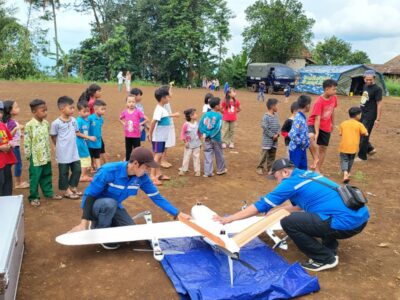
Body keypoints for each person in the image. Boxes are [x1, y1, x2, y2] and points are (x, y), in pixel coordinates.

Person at [214, 158, 370, 272]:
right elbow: (300, 206)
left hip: (345, 225)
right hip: (360, 218)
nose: (277, 181)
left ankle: (325, 259)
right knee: (323, 212)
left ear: (285, 172)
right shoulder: (307, 175)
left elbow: (260, 206)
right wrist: (277, 212)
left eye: (277, 177)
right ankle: (330, 248)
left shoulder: (289, 183)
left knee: (289, 222)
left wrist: (229, 218)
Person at [67, 147, 191, 250]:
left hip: (115, 206)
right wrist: (83, 223)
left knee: (131, 233)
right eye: (145, 167)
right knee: (109, 203)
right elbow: (90, 196)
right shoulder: (108, 170)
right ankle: (99, 229)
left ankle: (108, 223)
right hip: (96, 206)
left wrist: (177, 214)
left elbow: (157, 197)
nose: (147, 170)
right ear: (136, 163)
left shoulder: (142, 178)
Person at [24, 99, 62, 207]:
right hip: (35, 157)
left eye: (46, 110)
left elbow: (47, 139)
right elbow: (27, 141)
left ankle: (48, 193)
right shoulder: (29, 125)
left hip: (46, 155)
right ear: (34, 111)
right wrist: (28, 156)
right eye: (42, 110)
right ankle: (34, 197)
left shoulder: (46, 123)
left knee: (47, 174)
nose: (45, 112)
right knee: (35, 177)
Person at [50, 96, 82, 199]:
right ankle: (66, 191)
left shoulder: (74, 120)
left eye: (73, 108)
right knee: (64, 172)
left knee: (77, 169)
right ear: (62, 108)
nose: (73, 110)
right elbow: (53, 136)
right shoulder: (56, 123)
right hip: (62, 151)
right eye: (71, 108)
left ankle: (72, 186)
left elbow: (76, 132)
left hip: (73, 151)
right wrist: (58, 146)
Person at [148, 86, 179, 186]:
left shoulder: (162, 109)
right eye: (167, 96)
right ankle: (152, 176)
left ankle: (159, 174)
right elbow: (153, 122)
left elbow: (165, 116)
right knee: (157, 156)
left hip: (162, 137)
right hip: (158, 138)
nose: (169, 98)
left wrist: (173, 115)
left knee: (159, 156)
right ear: (162, 98)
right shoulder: (159, 109)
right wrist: (150, 133)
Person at [307, 79, 338, 173]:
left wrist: (333, 123)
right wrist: (317, 133)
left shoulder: (334, 98)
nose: (335, 91)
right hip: (313, 123)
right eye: (334, 89)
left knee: (323, 148)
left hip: (326, 125)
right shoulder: (319, 102)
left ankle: (317, 169)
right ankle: (316, 158)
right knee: (311, 137)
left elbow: (332, 110)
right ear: (327, 89)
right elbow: (317, 118)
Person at [357, 70, 383, 161]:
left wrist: (378, 119)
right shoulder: (365, 86)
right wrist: (359, 111)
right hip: (363, 113)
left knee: (364, 134)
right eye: (367, 79)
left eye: (370, 79)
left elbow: (379, 104)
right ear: (364, 79)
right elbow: (363, 100)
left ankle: (362, 157)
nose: (368, 81)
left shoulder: (377, 89)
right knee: (359, 132)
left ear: (374, 78)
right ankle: (370, 148)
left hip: (370, 115)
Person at [3, 100, 29, 189]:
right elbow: (9, 135)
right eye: (16, 107)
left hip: (8, 146)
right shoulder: (11, 122)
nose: (18, 109)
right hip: (14, 147)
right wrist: (17, 128)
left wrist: (19, 134)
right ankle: (18, 183)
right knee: (18, 164)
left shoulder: (7, 121)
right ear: (10, 111)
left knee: (8, 164)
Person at [199, 97, 227, 177]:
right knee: (219, 154)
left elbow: (200, 125)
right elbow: (218, 128)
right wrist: (211, 135)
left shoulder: (206, 114)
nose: (221, 106)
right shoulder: (219, 116)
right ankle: (220, 170)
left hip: (206, 138)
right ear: (216, 106)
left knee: (207, 153)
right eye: (220, 104)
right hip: (216, 138)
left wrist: (204, 134)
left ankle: (208, 172)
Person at [339, 107, 368, 183]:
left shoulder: (343, 123)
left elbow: (340, 134)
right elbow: (366, 133)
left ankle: (345, 173)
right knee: (350, 160)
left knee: (344, 160)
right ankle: (347, 173)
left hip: (344, 146)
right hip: (353, 147)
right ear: (357, 115)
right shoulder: (359, 125)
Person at [120, 95, 148, 161]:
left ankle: (137, 162)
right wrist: (124, 124)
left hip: (136, 136)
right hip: (127, 135)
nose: (131, 103)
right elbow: (120, 118)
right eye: (129, 102)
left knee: (137, 150)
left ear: (135, 103)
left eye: (133, 102)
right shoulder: (124, 112)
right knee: (128, 150)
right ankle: (127, 163)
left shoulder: (138, 112)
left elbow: (147, 119)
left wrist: (140, 124)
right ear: (126, 103)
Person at [256, 98, 280, 175]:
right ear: (272, 106)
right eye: (277, 105)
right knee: (264, 154)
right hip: (267, 140)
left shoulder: (276, 115)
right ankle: (260, 167)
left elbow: (279, 126)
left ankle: (270, 168)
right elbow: (264, 127)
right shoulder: (266, 116)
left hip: (275, 140)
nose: (277, 107)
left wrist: (277, 134)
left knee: (272, 155)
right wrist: (272, 135)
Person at [289, 95, 312, 170]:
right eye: (310, 104)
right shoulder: (299, 118)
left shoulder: (301, 117)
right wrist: (304, 142)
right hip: (296, 149)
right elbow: (292, 135)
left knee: (302, 171)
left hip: (301, 149)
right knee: (295, 171)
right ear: (307, 105)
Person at [76, 102, 96, 182]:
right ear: (79, 112)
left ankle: (81, 174)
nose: (87, 113)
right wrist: (89, 137)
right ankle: (82, 176)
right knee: (86, 157)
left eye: (88, 111)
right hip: (79, 142)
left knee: (83, 158)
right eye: (84, 111)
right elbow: (77, 133)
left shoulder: (87, 120)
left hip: (83, 141)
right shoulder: (79, 121)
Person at [0, 100, 17, 196]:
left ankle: (7, 201)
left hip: (6, 161)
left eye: (1, 112)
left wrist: (10, 144)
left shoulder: (2, 125)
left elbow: (10, 138)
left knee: (7, 182)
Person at [178, 108, 201, 177]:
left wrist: (200, 140)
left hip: (196, 143)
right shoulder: (186, 124)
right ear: (191, 116)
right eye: (195, 114)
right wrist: (185, 141)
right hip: (189, 144)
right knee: (186, 157)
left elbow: (199, 132)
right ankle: (183, 170)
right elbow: (182, 133)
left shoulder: (197, 123)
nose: (197, 115)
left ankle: (197, 170)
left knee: (196, 157)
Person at [87, 100, 107, 171]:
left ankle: (99, 169)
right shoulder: (90, 118)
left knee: (97, 155)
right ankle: (92, 167)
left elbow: (100, 128)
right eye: (102, 109)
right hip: (90, 141)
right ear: (95, 109)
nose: (104, 111)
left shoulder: (101, 119)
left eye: (105, 109)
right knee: (91, 155)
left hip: (98, 141)